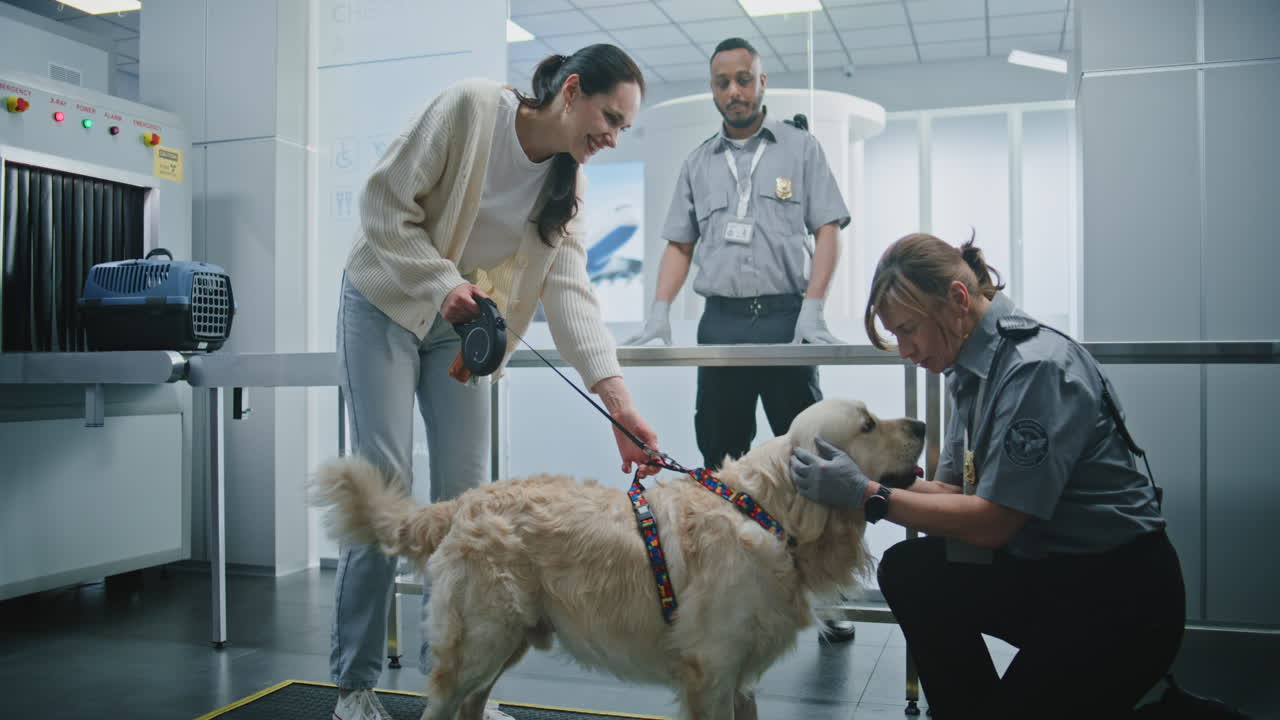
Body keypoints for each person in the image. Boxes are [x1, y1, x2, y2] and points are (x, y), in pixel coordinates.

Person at [332, 45, 659, 720]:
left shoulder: (567, 182)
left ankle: (455, 687)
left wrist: (619, 406)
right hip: (387, 300)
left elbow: (570, 295)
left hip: (460, 327)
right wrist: (443, 282)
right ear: (571, 91)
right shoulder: (472, 109)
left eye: (625, 127)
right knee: (386, 485)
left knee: (466, 505)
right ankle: (354, 684)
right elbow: (383, 208)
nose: (613, 135)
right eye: (610, 116)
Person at [789, 233, 1186, 719]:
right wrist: (872, 476)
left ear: (957, 300)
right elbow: (958, 492)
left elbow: (993, 522)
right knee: (912, 570)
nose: (905, 350)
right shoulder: (970, 366)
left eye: (909, 330)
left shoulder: (1035, 369)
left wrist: (868, 495)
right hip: (1048, 574)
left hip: (1117, 595)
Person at [623, 37, 850, 472]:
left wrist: (814, 307)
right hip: (721, 322)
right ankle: (731, 538)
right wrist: (659, 311)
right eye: (722, 83)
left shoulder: (801, 148)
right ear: (713, 88)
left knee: (804, 449)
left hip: (787, 318)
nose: (734, 93)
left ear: (761, 81)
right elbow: (680, 245)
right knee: (720, 451)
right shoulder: (698, 162)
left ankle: (807, 540)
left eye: (744, 80)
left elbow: (828, 228)